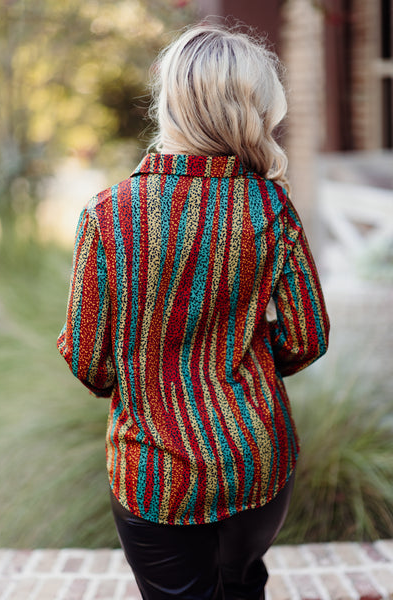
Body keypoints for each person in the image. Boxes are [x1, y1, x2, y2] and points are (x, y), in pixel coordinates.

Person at [58, 23, 330, 600]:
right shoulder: (269, 205)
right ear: (256, 108)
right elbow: (309, 336)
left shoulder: (110, 214)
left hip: (157, 473)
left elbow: (88, 359)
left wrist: (145, 378)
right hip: (257, 456)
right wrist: (240, 370)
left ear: (171, 103)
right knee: (242, 585)